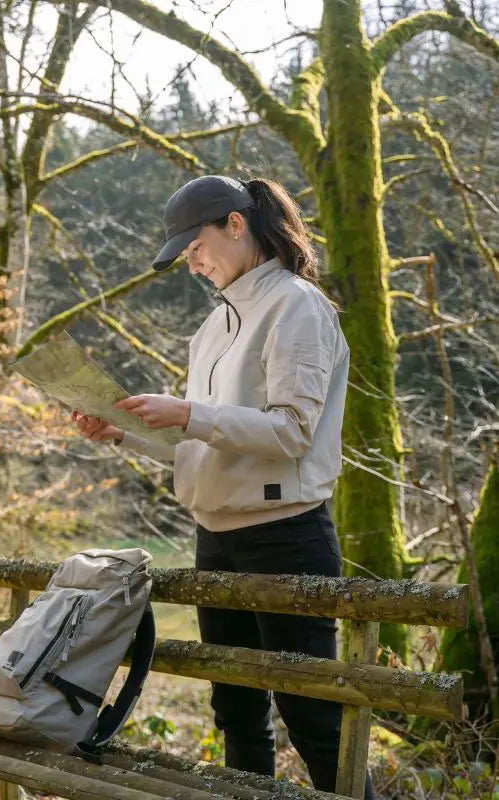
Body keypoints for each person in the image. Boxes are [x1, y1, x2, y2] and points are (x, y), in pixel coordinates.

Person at [71, 175, 374, 798]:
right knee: (236, 712)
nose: (193, 262)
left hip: (285, 536)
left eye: (196, 246)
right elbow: (207, 446)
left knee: (312, 716)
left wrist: (186, 413)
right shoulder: (212, 329)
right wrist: (122, 434)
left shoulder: (298, 305)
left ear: (236, 225)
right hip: (215, 536)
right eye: (184, 254)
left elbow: (291, 432)